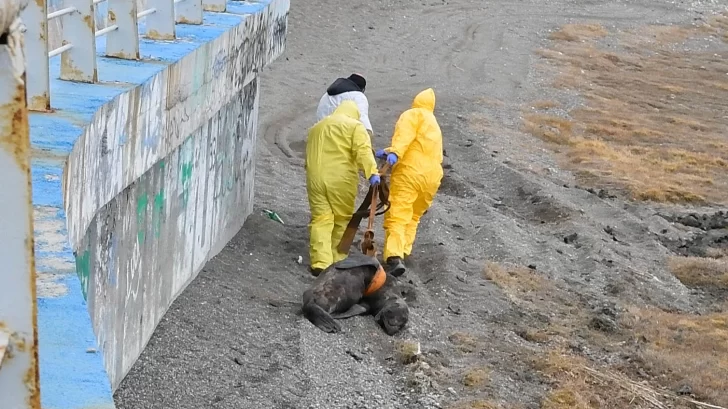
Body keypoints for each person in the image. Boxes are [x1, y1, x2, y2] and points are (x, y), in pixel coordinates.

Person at [306, 100, 381, 276]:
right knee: (341, 219)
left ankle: (320, 262)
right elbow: (362, 150)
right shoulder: (355, 126)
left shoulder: (317, 126)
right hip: (340, 179)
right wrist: (372, 173)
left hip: (315, 178)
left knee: (321, 219)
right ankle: (337, 260)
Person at [375, 88, 443, 277]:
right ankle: (404, 250)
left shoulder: (413, 114)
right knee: (413, 215)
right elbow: (418, 146)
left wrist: (395, 152)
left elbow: (405, 137)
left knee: (398, 211)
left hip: (411, 171)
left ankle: (394, 256)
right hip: (433, 175)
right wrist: (389, 151)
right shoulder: (434, 124)